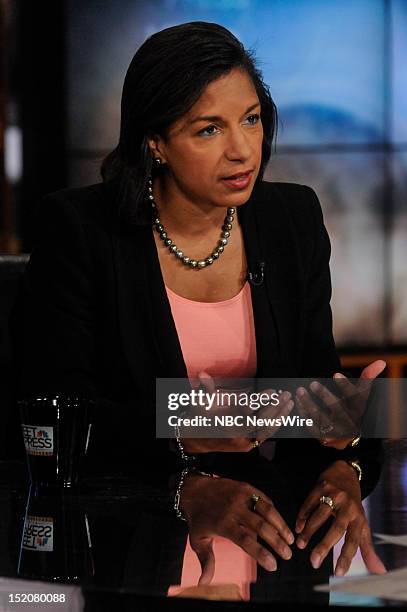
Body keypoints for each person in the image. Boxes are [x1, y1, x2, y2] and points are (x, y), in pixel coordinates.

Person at [12, 21, 386, 578]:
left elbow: (317, 396)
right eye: (209, 130)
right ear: (154, 142)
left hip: (274, 549)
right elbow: (49, 420)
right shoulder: (80, 231)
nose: (242, 150)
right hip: (122, 550)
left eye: (252, 120)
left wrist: (349, 456)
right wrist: (180, 439)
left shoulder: (293, 221)